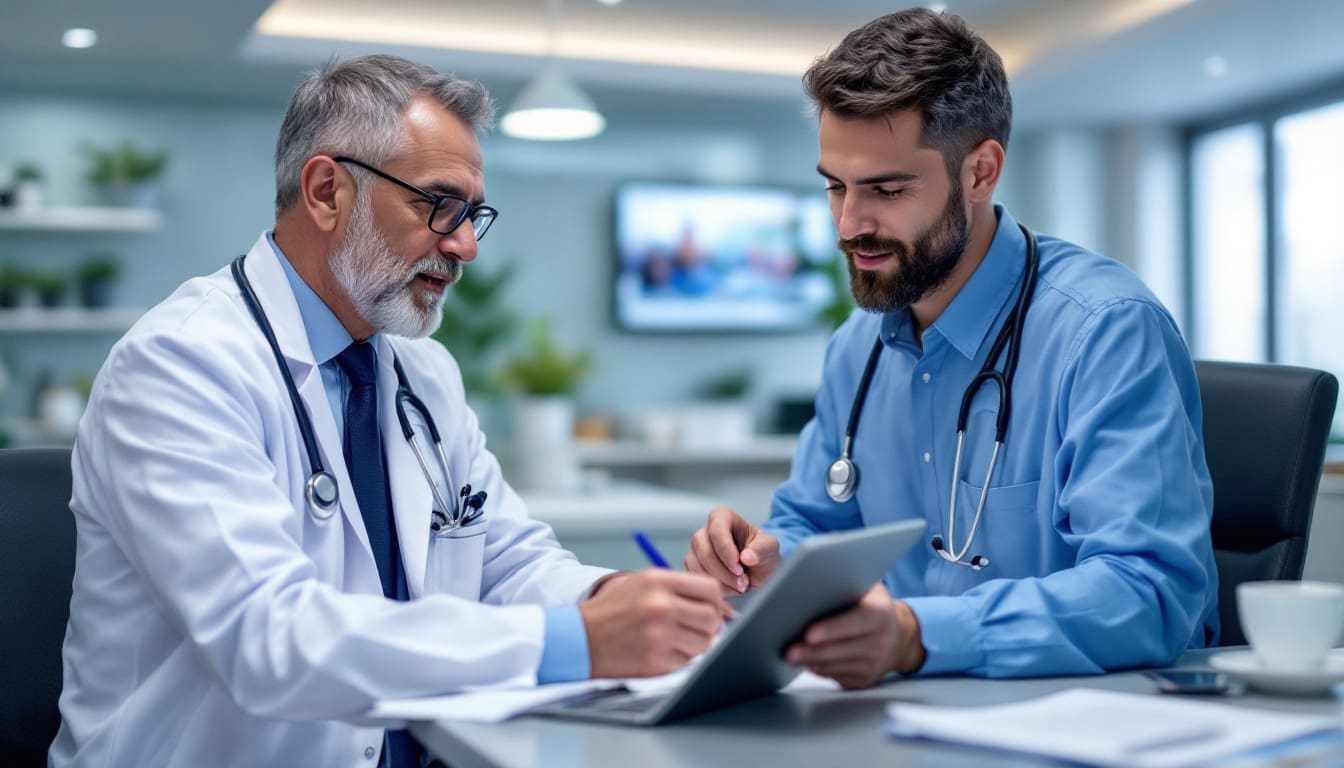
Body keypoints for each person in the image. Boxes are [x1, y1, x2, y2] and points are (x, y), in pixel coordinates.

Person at [51, 55, 728, 767]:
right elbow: (268, 639)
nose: (464, 244)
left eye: (473, 215)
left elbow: (505, 558)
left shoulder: (420, 371)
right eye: (437, 203)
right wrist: (580, 642)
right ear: (325, 191)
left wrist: (622, 599)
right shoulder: (181, 365)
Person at [686, 8, 1218, 688]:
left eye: (885, 188)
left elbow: (1150, 594)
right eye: (834, 186)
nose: (850, 224)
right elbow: (814, 522)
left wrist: (914, 636)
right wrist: (763, 560)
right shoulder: (859, 348)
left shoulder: (1104, 331)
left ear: (980, 172)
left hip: (1082, 722)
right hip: (897, 720)